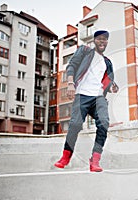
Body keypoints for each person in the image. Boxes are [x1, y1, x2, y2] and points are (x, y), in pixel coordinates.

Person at [54, 30, 118, 172]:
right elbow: (71, 66)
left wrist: (113, 86)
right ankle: (65, 156)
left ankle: (95, 160)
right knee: (75, 124)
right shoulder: (85, 51)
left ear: (107, 42)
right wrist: (70, 84)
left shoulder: (107, 62)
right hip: (82, 94)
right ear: (94, 40)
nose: (102, 41)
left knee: (104, 124)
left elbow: (110, 80)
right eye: (99, 39)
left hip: (99, 97)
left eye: (105, 39)